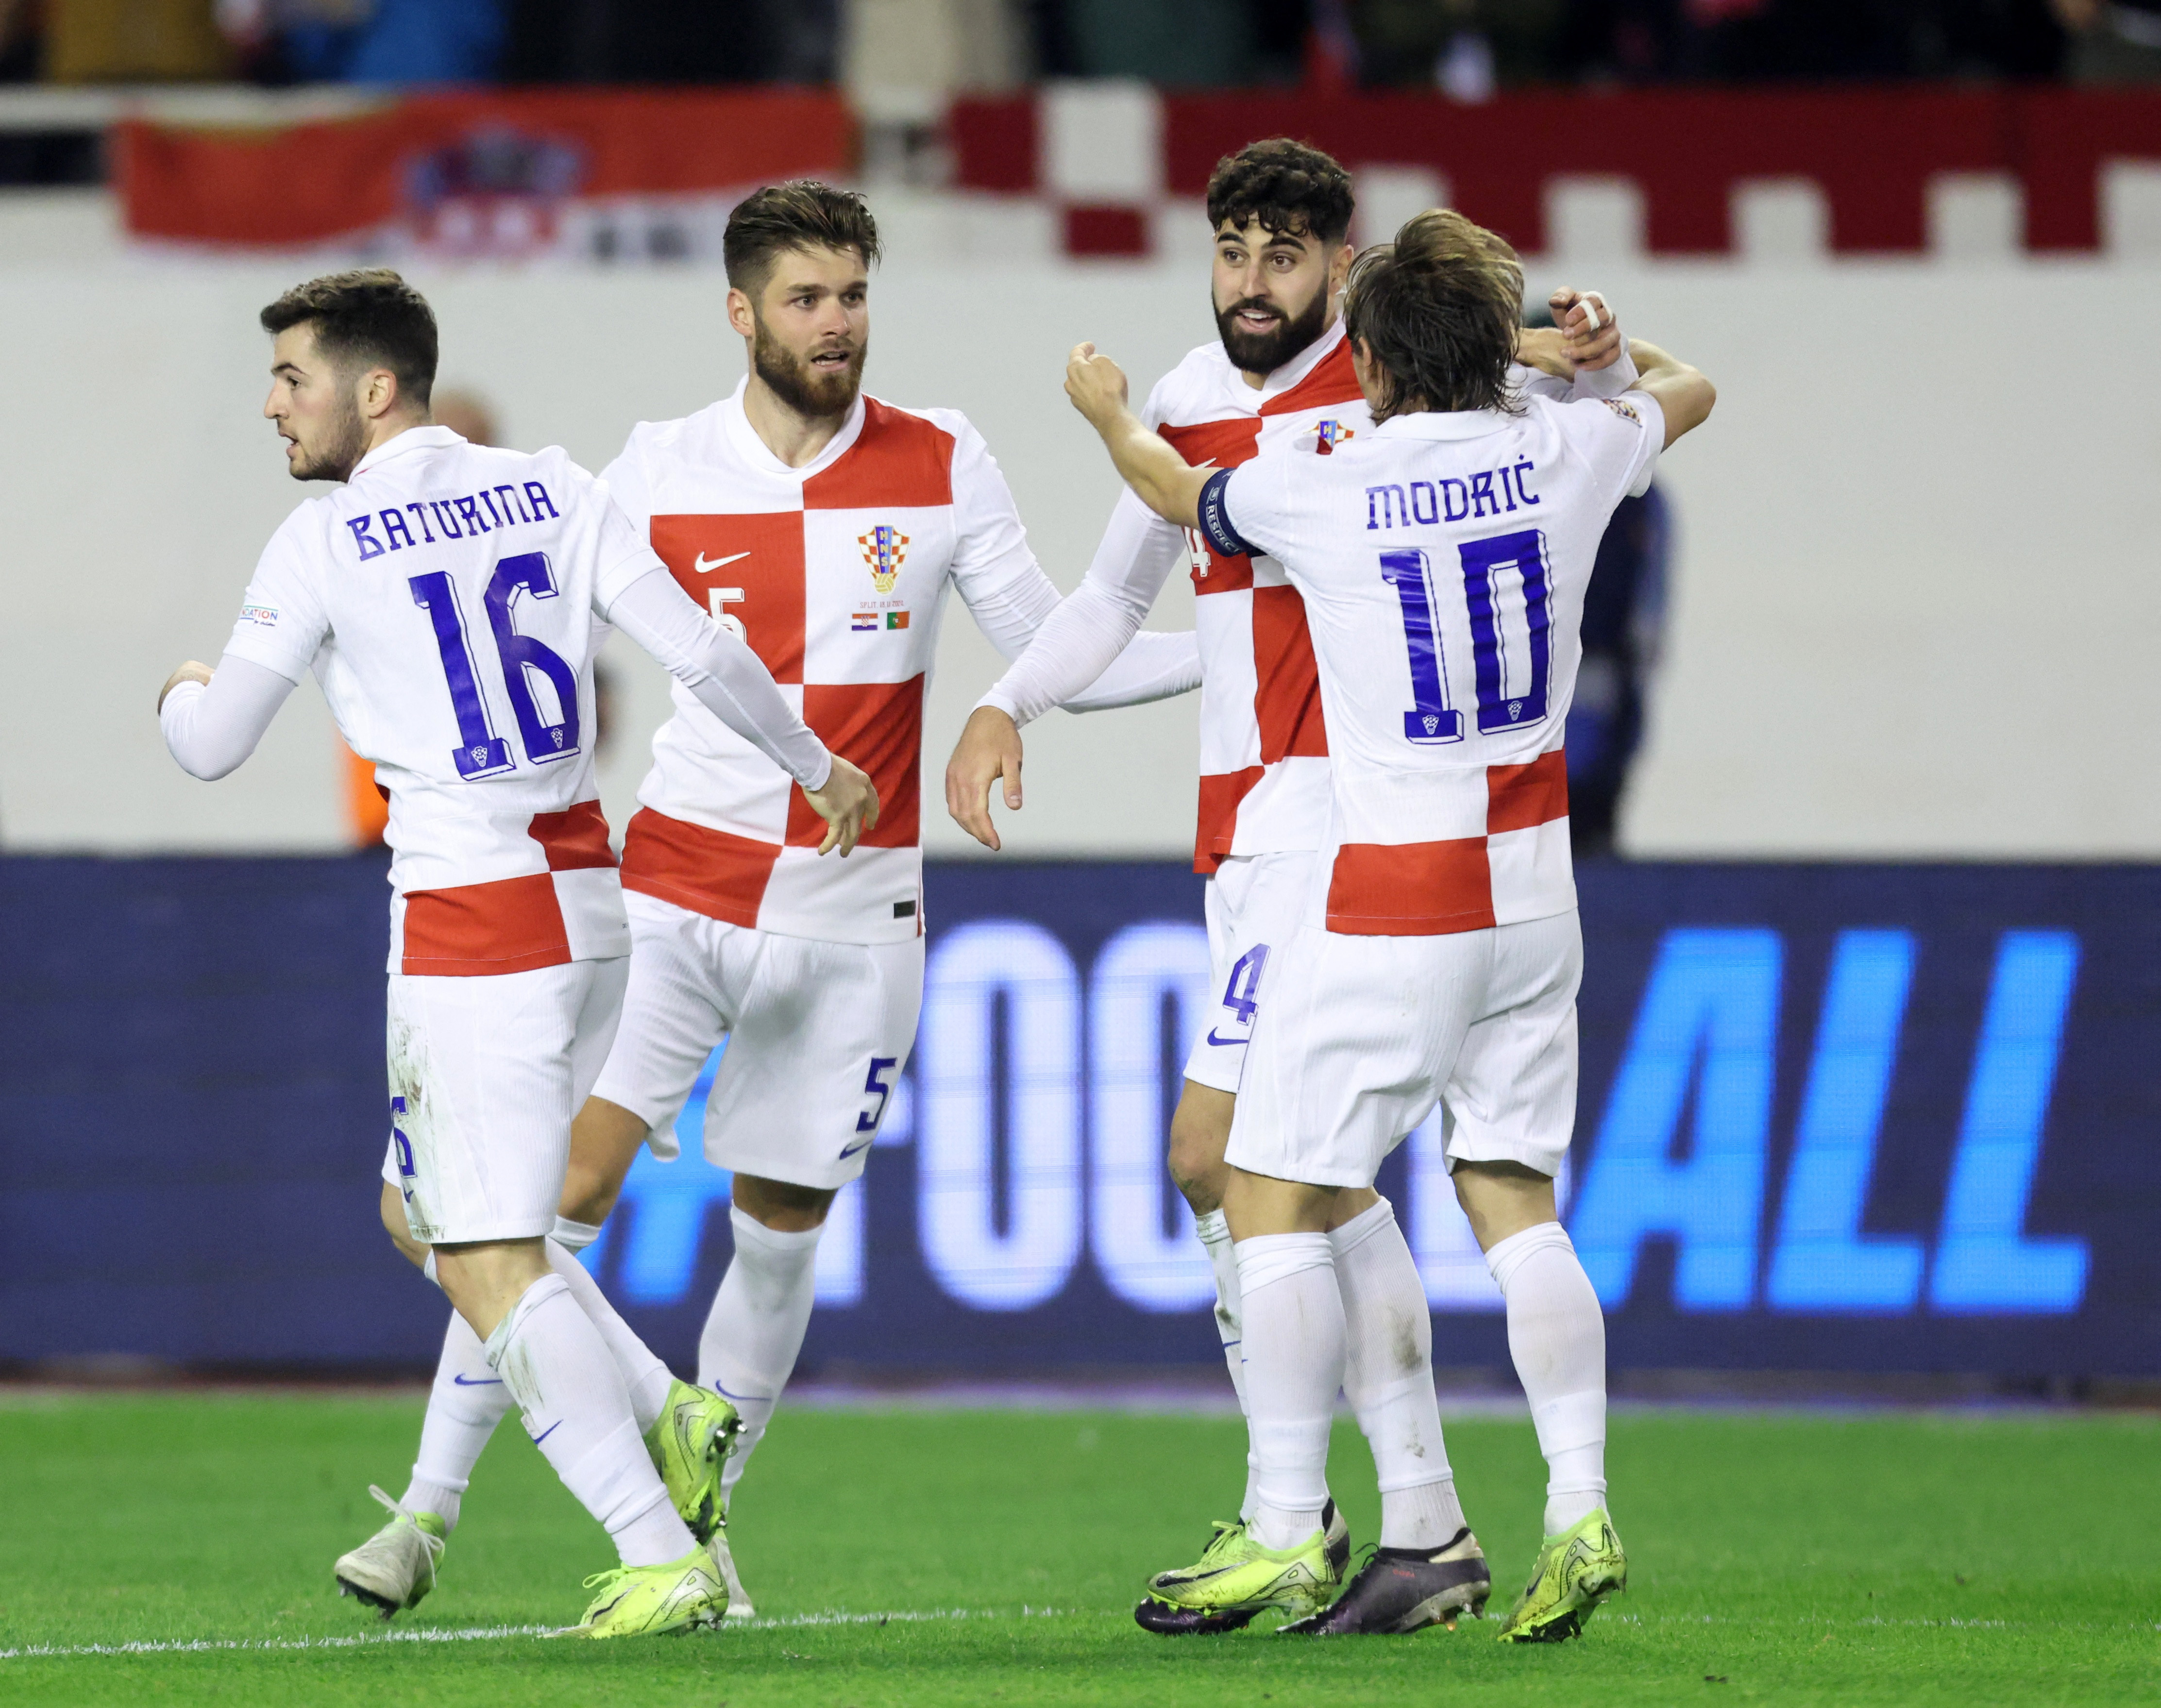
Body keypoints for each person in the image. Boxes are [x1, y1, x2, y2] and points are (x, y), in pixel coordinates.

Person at [342, 181, 1200, 1620]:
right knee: (544, 1198)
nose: (836, 326)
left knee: (778, 1229)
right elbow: (533, 635)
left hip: (853, 917)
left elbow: (1061, 645)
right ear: (739, 313)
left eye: (854, 296)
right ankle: (427, 1510)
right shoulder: (657, 468)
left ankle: (700, 1542)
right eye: (805, 300)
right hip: (670, 892)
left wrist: (1227, 649)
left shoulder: (939, 460)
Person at [945, 137, 1632, 1634]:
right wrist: (1012, 700)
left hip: (1343, 830)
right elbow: (1122, 590)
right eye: (1234, 251)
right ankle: (1429, 1526)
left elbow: (1194, 507)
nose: (1254, 282)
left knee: (1233, 1161)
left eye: (1285, 255)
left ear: (1345, 272)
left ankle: (1301, 1516)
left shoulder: (1381, 411)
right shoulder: (1211, 398)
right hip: (1297, 830)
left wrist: (1109, 418)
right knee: (1321, 1177)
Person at [158, 267, 877, 1637]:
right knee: (427, 1215)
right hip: (590, 910)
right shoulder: (555, 486)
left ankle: (657, 1547)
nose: (272, 405)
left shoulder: (320, 545)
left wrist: (177, 684)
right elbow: (705, 652)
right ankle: (665, 1406)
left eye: (291, 378)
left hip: (470, 924)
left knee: (490, 1254)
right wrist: (817, 765)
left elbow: (210, 750)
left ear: (374, 391)